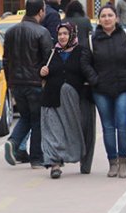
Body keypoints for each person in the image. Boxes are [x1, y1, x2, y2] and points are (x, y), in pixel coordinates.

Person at [39, 22, 97, 179]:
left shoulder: (82, 52)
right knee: (52, 132)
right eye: (60, 34)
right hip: (51, 99)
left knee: (78, 132)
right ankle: (54, 164)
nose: (62, 37)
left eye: (65, 33)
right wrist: (42, 72)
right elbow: (41, 71)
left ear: (72, 34)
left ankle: (83, 161)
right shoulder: (52, 52)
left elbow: (87, 71)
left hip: (75, 102)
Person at [3, 0, 54, 169]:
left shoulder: (10, 32)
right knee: (37, 120)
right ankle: (36, 159)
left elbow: (5, 60)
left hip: (16, 83)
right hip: (35, 83)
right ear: (41, 11)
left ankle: (13, 141)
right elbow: (48, 60)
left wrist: (9, 82)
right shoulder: (42, 32)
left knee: (25, 117)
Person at [88, 3, 126, 178]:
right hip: (101, 90)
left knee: (122, 125)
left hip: (124, 87)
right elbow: (86, 63)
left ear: (116, 17)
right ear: (98, 20)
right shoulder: (92, 39)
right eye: (103, 16)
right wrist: (95, 80)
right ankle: (113, 162)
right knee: (108, 127)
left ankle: (123, 162)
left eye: (110, 15)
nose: (107, 18)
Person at [62, 0, 97, 173]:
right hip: (85, 76)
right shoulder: (86, 21)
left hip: (68, 76)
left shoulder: (63, 22)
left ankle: (65, 155)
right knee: (88, 120)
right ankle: (86, 163)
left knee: (67, 118)